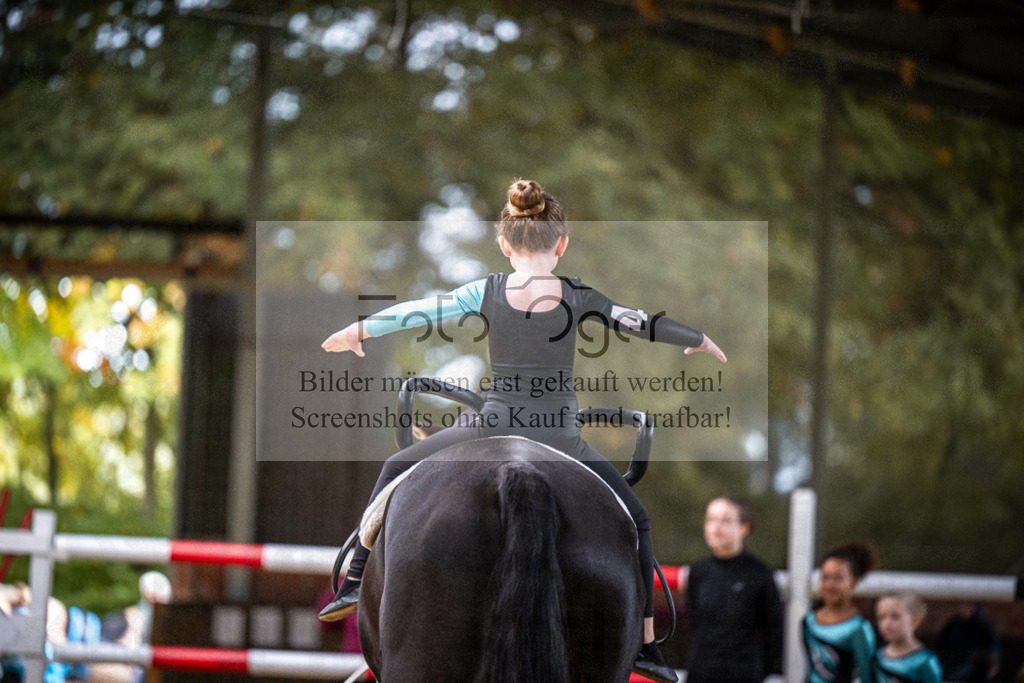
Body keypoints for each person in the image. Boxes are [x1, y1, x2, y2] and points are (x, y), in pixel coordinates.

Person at [318, 179, 727, 683]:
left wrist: (358, 330)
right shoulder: (579, 296)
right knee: (637, 520)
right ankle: (645, 647)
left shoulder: (485, 290)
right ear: (562, 244)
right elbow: (639, 322)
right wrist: (697, 338)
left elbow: (417, 312)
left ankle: (355, 581)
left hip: (494, 420)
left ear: (505, 245)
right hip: (561, 434)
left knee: (396, 466)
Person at [685, 496, 783, 683]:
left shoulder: (760, 575)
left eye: (726, 520)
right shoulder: (698, 572)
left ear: (743, 528)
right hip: (700, 673)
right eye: (711, 519)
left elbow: (774, 635)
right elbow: (695, 626)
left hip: (744, 675)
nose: (716, 527)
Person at [802, 542, 878, 683]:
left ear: (854, 583)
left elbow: (867, 676)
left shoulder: (858, 628)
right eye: (826, 577)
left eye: (838, 578)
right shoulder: (809, 622)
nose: (830, 584)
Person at [873, 592, 943, 683]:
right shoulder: (877, 658)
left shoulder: (925, 661)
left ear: (914, 621)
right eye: (881, 617)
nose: (887, 624)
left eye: (895, 616)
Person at [937, 602, 1000, 683]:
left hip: (973, 668)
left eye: (965, 606)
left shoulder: (982, 627)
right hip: (952, 665)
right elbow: (941, 645)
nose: (961, 608)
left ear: (973, 607)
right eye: (961, 605)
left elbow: (992, 651)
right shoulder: (952, 625)